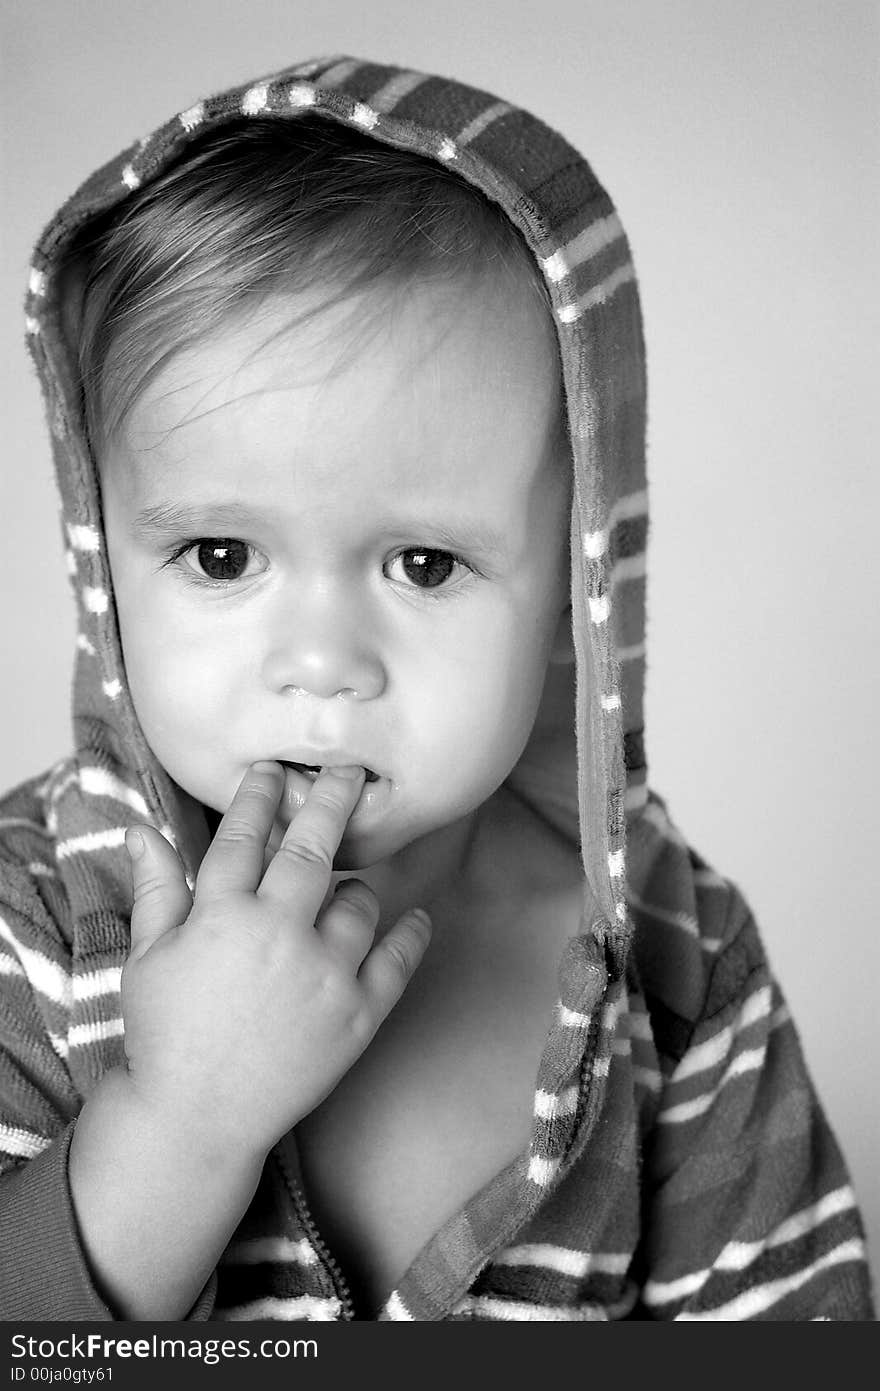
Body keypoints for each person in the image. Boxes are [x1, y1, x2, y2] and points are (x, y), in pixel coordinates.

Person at [0, 54, 873, 1323]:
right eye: (221, 554)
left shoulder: (673, 957)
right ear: (104, 550)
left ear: (576, 583)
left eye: (424, 562)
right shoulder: (33, 922)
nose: (322, 663)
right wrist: (183, 1120)